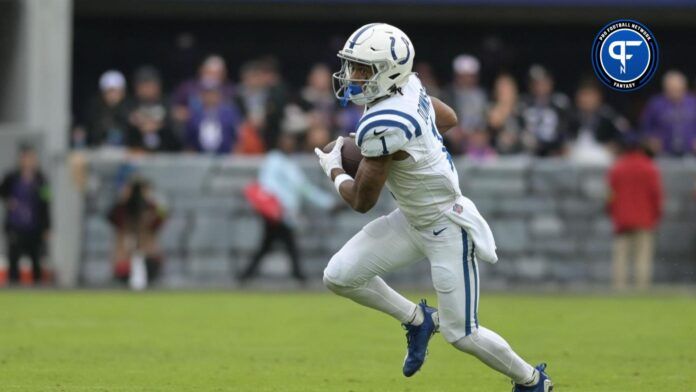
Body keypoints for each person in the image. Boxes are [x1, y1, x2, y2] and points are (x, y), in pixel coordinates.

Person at [315, 23, 552, 391]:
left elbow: (362, 201)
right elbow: (449, 118)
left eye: (362, 68)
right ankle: (416, 319)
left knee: (463, 334)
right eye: (352, 65)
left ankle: (532, 381)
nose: (352, 76)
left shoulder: (385, 123)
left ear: (387, 70)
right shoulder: (407, 86)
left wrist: (333, 168)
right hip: (413, 217)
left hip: (445, 225)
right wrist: (414, 143)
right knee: (340, 276)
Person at [239, 133, 336, 282]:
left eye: (291, 142)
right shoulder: (274, 159)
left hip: (283, 214)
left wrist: (328, 203)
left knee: (269, 246)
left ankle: (246, 275)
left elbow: (305, 188)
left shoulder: (290, 164)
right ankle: (298, 276)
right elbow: (267, 184)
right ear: (280, 143)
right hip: (276, 213)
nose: (289, 145)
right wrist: (276, 206)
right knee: (286, 244)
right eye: (286, 141)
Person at [607, 134, 662, 291]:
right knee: (643, 257)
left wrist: (612, 212)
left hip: (622, 219)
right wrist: (656, 215)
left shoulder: (617, 167)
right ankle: (642, 289)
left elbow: (611, 194)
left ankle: (619, 288)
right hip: (644, 218)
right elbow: (656, 195)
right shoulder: (649, 167)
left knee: (621, 256)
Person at [0, 145, 51, 285]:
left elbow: (46, 203)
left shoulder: (41, 179)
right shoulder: (11, 177)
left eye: (31, 158)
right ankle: (13, 288)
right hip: (15, 225)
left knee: (36, 259)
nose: (29, 161)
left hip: (34, 226)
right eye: (26, 158)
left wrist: (47, 226)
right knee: (13, 259)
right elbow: (3, 192)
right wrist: (8, 200)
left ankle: (38, 290)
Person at [108, 176, 167, 285]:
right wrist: (124, 199)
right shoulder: (121, 210)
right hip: (125, 258)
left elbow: (163, 215)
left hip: (148, 256)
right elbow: (111, 217)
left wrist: (152, 200)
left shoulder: (152, 209)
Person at [567, 80, 627, 164]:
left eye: (590, 95)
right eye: (583, 95)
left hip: (602, 157)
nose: (586, 100)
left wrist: (616, 145)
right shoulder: (570, 115)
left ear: (598, 97)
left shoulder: (608, 115)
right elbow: (560, 136)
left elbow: (627, 134)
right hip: (575, 157)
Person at [640, 70, 696, 156]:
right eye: (672, 89)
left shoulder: (693, 103)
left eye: (678, 89)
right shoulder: (655, 104)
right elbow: (644, 128)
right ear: (665, 88)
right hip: (663, 155)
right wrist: (650, 140)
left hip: (691, 155)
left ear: (685, 88)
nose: (675, 92)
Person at [126, 66, 180, 153]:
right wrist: (138, 124)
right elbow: (126, 122)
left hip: (166, 155)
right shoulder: (130, 104)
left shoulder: (167, 102)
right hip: (138, 155)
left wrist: (157, 125)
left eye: (150, 85)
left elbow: (174, 127)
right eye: (143, 85)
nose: (147, 89)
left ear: (158, 86)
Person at [520, 65, 571, 157]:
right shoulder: (523, 104)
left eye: (543, 83)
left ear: (550, 83)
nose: (539, 87)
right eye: (536, 83)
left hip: (554, 153)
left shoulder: (560, 103)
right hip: (528, 153)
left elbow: (565, 128)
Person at [442, 54, 488, 155]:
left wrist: (482, 134)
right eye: (463, 76)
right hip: (455, 142)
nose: (467, 79)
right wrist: (455, 133)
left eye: (471, 76)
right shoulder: (447, 94)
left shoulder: (482, 95)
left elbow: (485, 119)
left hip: (478, 140)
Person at [184, 80, 242, 154]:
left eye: (213, 94)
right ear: (202, 96)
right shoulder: (194, 115)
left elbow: (237, 137)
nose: (210, 97)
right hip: (200, 157)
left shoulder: (230, 113)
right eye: (207, 94)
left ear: (219, 95)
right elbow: (189, 140)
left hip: (226, 156)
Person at [83, 70, 131, 147]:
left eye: (116, 91)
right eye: (109, 91)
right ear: (103, 93)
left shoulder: (130, 111)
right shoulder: (95, 112)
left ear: (123, 93)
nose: (113, 96)